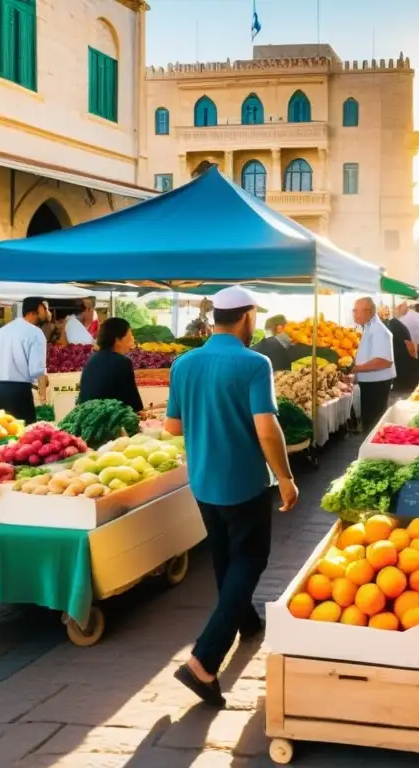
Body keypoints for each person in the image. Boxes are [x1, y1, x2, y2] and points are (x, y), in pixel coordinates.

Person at [164, 285, 297, 707]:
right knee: (251, 559)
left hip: (203, 482)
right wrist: (287, 477)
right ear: (248, 317)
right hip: (244, 484)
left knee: (225, 557)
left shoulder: (184, 364)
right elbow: (266, 428)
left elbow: (172, 428)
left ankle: (246, 620)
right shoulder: (255, 363)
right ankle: (204, 660)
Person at [0, 297, 50, 423]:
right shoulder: (36, 333)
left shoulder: (0, 332)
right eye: (44, 308)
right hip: (20, 394)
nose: (47, 312)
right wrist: (44, 401)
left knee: (3, 436)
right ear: (34, 311)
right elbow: (37, 371)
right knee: (24, 438)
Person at [77, 318, 144, 411]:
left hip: (85, 417)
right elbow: (134, 405)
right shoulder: (123, 362)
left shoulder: (92, 359)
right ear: (118, 340)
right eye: (130, 335)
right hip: (107, 421)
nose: (133, 338)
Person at [352, 297, 396, 431]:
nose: (353, 314)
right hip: (369, 383)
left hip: (376, 385)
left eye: (355, 311)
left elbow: (384, 361)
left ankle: (374, 450)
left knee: (374, 423)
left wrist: (357, 369)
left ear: (368, 311)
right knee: (369, 422)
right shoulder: (368, 327)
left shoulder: (378, 330)